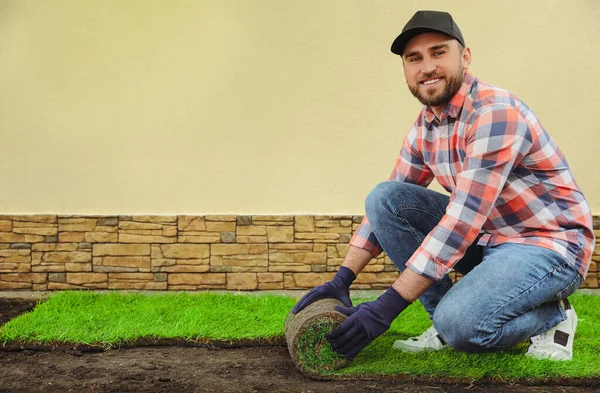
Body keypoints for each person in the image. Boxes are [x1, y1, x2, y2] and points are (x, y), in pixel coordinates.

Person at [292, 10, 594, 362]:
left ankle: (554, 316)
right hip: (489, 240)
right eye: (414, 58)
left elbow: (462, 219)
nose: (427, 67)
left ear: (465, 57)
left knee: (464, 328)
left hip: (548, 246)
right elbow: (387, 206)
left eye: (439, 52)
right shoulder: (425, 128)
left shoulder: (495, 113)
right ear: (405, 69)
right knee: (385, 198)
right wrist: (343, 278)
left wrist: (385, 308)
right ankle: (441, 321)